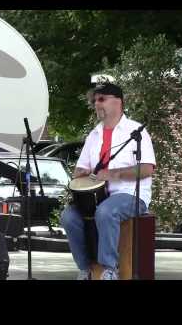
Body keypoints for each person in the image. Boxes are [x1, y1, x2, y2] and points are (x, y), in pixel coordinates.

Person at [61, 82, 156, 280]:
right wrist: (81, 173)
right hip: (98, 197)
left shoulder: (136, 131)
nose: (97, 104)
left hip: (130, 195)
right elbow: (80, 168)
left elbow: (147, 169)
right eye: (95, 100)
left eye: (102, 99)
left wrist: (112, 174)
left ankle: (109, 269)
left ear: (118, 102)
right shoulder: (93, 135)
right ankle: (85, 269)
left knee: (105, 212)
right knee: (68, 217)